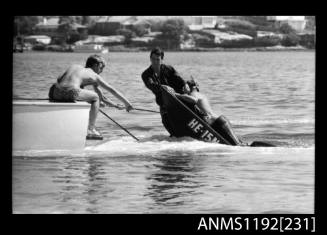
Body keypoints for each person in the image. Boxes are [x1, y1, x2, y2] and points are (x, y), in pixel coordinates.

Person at [48, 54, 134, 140]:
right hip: (71, 92)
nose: (102, 71)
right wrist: (127, 104)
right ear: (96, 65)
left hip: (54, 92)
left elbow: (59, 79)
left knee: (87, 97)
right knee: (95, 97)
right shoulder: (95, 76)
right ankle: (90, 129)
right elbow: (111, 90)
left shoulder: (74, 66)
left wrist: (114, 105)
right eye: (102, 67)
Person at [172, 79, 245, 146]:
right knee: (237, 144)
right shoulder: (201, 95)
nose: (184, 89)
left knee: (237, 146)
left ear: (191, 87)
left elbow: (193, 100)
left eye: (185, 86)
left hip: (218, 123)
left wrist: (178, 95)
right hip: (219, 121)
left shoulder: (194, 94)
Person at [141, 47, 189, 136]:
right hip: (164, 104)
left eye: (157, 59)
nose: (155, 62)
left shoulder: (169, 69)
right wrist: (164, 87)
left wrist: (185, 85)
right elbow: (152, 86)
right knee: (167, 124)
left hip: (179, 100)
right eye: (152, 59)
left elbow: (181, 81)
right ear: (150, 59)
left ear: (162, 59)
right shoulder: (146, 74)